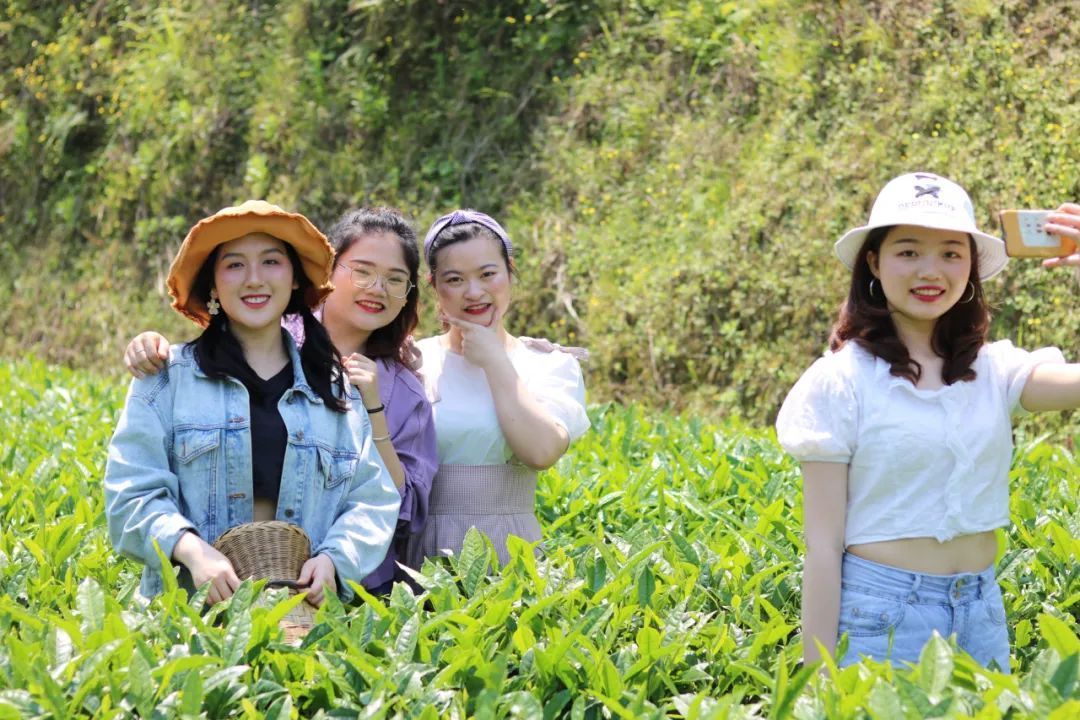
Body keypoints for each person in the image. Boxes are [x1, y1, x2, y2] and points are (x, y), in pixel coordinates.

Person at [776, 172, 1080, 671]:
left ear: (970, 268)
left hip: (982, 614)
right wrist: (816, 676)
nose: (930, 270)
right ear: (874, 262)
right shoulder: (841, 381)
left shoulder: (995, 370)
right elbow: (823, 547)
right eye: (909, 251)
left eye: (950, 253)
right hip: (882, 618)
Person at [123, 207, 437, 596]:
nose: (254, 279)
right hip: (186, 613)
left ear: (294, 279)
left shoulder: (337, 391)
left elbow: (373, 501)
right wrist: (192, 552)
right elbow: (131, 493)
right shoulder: (167, 379)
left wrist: (334, 560)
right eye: (234, 265)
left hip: (304, 614)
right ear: (212, 284)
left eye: (271, 262)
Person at [405, 209, 590, 568]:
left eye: (488, 274)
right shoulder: (411, 362)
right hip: (421, 554)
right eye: (455, 279)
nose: (474, 292)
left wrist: (495, 360)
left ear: (510, 271)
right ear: (434, 286)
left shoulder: (549, 364)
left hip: (511, 548)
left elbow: (542, 452)